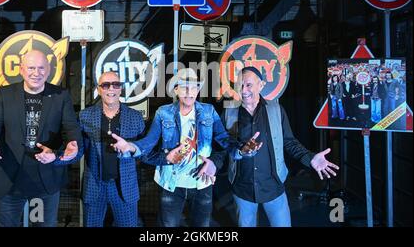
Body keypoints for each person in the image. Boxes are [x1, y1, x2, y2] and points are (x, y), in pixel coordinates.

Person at [111, 68, 253, 227]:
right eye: (184, 87)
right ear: (176, 89)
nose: (189, 92)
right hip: (172, 183)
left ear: (198, 90)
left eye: (193, 87)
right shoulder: (163, 113)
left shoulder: (208, 111)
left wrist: (241, 149)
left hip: (202, 183)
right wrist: (130, 146)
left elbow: (223, 139)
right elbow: (148, 142)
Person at [222, 67, 339, 227]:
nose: (243, 90)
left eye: (248, 85)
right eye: (240, 85)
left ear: (261, 85)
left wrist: (310, 158)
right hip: (243, 189)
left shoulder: (275, 110)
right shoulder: (230, 112)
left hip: (274, 188)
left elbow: (289, 142)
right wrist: (236, 152)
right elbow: (223, 145)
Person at [0, 49, 82, 227]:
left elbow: (71, 128)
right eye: (31, 68)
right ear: (21, 69)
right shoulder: (4, 94)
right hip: (10, 179)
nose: (36, 73)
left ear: (48, 70)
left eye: (41, 68)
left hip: (45, 180)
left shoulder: (61, 95)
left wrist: (72, 145)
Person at [76, 71, 145, 227]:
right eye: (106, 85)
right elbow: (78, 150)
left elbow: (143, 151)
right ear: (99, 89)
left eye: (116, 84)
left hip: (124, 188)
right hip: (95, 187)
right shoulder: (85, 116)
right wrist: (58, 156)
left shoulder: (135, 117)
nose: (111, 89)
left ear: (120, 89)